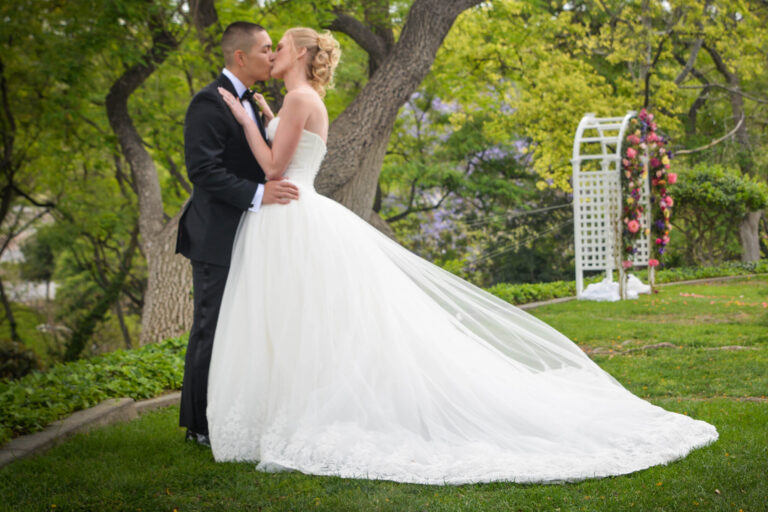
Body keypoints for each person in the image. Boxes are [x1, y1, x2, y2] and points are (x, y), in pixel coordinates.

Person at [206, 27, 718, 484]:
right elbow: (291, 144)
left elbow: (274, 168)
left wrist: (245, 120)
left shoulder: (299, 99)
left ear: (299, 52)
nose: (272, 53)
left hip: (291, 210)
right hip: (294, 214)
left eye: (279, 46)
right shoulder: (300, 99)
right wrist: (267, 117)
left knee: (299, 317)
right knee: (303, 318)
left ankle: (301, 410)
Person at [175, 22, 300, 446]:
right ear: (240, 57)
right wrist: (260, 194)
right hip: (216, 234)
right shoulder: (208, 102)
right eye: (265, 49)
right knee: (211, 327)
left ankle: (234, 414)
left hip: (253, 235)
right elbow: (203, 170)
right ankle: (199, 425)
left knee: (242, 328)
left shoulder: (255, 101)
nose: (272, 55)